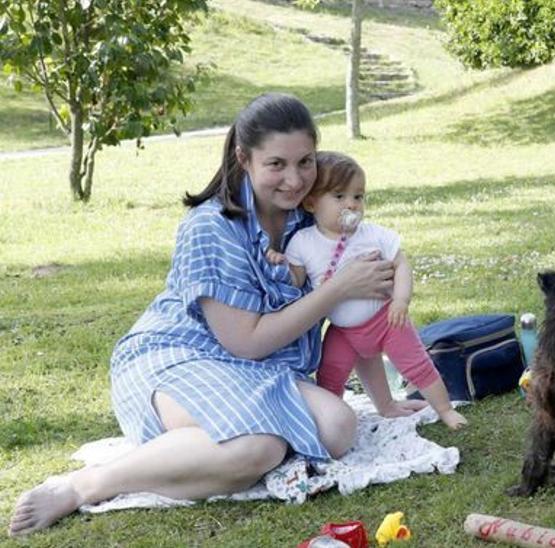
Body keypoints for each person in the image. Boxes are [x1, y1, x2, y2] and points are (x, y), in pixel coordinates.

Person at [8, 93, 398, 536]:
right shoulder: (210, 227)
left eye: (305, 162)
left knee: (338, 427)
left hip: (264, 372)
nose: (295, 180)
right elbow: (245, 341)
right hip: (181, 356)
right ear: (243, 158)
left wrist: (385, 395)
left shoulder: (311, 219)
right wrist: (335, 290)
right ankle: (83, 485)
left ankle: (199, 451)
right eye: (276, 165)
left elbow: (358, 320)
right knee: (259, 446)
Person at [271, 151, 466, 428]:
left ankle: (445, 409)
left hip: (386, 320)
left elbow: (402, 265)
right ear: (311, 203)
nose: (351, 204)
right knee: (331, 373)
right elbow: (296, 281)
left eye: (358, 197)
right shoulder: (303, 242)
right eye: (339, 197)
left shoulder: (372, 235)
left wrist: (401, 299)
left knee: (416, 364)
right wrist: (281, 266)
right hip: (343, 330)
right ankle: (325, 421)